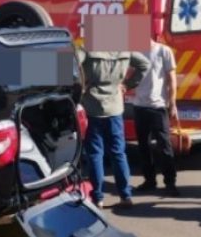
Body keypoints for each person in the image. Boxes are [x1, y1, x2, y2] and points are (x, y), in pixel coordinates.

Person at [77, 47, 150, 209]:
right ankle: (125, 195)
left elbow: (67, 65)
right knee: (118, 153)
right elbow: (145, 64)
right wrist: (127, 84)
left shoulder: (87, 48)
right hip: (115, 108)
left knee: (95, 154)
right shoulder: (125, 48)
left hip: (92, 107)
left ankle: (98, 198)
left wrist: (80, 87)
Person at [132, 37, 180, 197]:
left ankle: (170, 182)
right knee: (143, 147)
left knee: (164, 145)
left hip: (158, 106)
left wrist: (172, 103)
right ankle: (149, 180)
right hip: (139, 105)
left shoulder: (163, 51)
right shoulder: (134, 51)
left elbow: (172, 79)